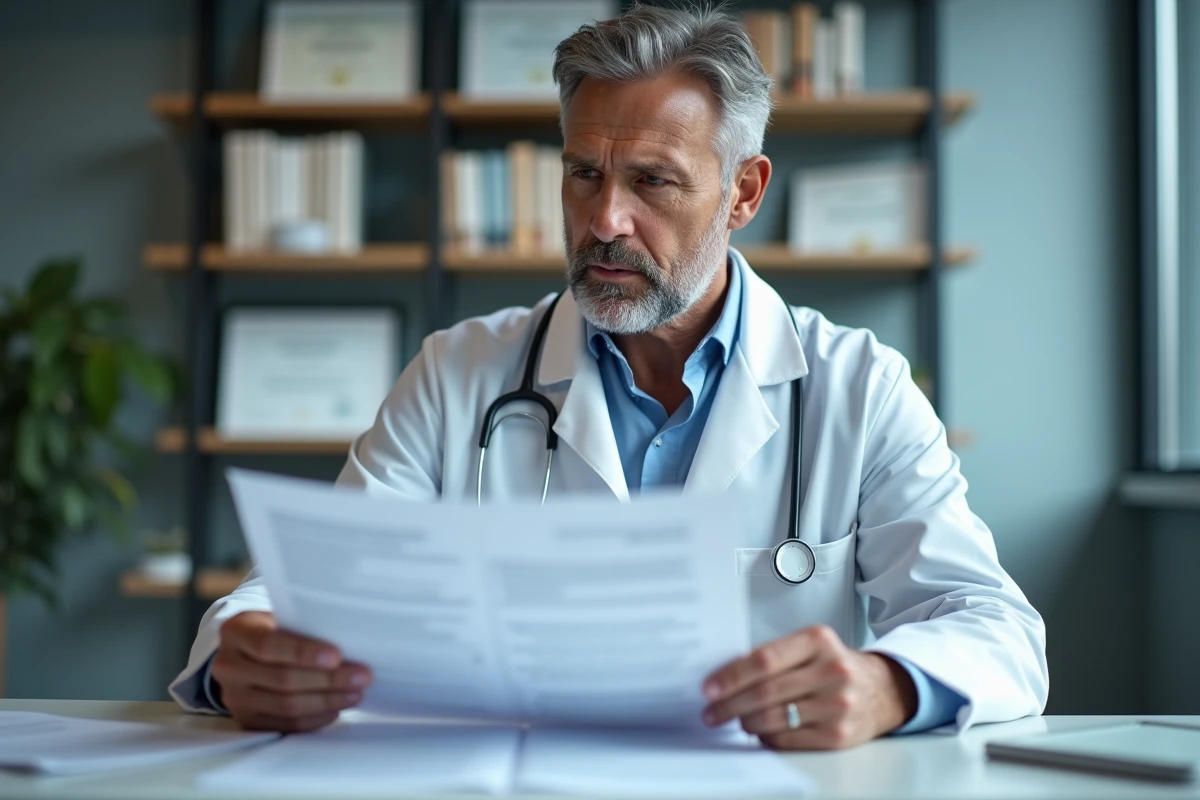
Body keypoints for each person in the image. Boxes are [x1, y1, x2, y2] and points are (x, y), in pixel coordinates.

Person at [169, 4, 1048, 749]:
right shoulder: (459, 373)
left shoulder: (859, 385)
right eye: (583, 173)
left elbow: (996, 629)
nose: (605, 219)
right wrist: (245, 650)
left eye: (653, 182)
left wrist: (887, 686)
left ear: (744, 193)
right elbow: (299, 595)